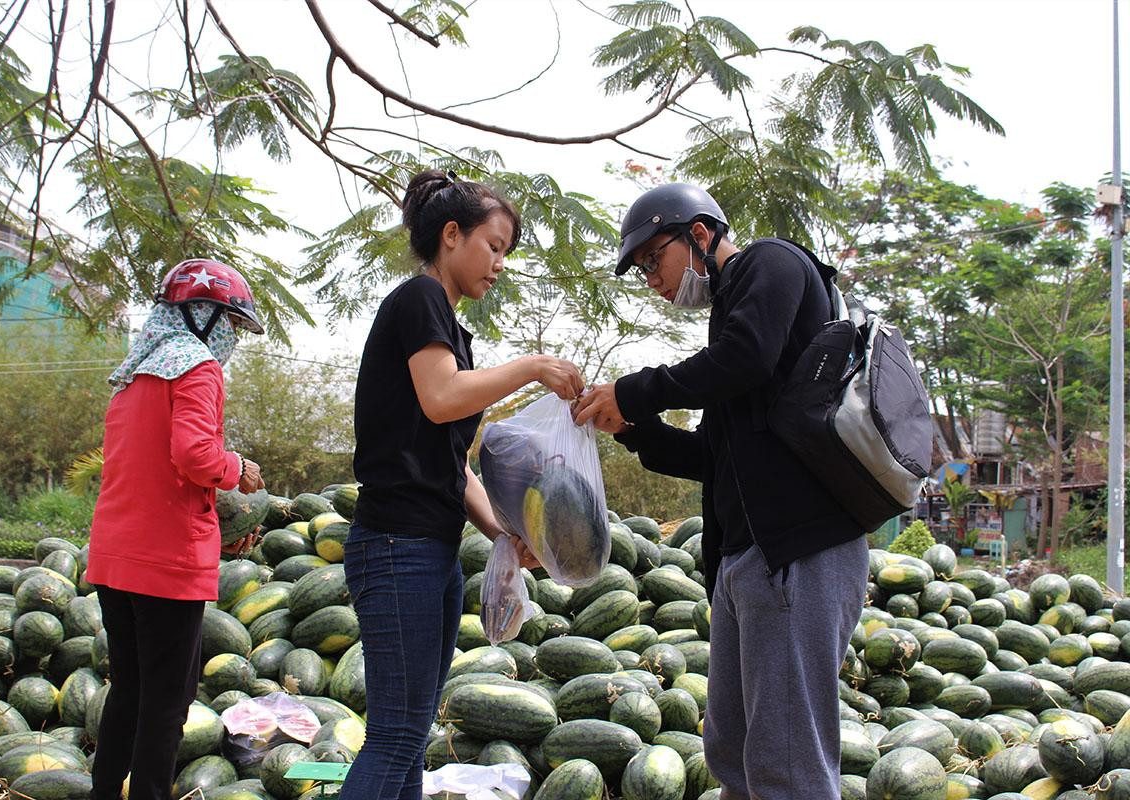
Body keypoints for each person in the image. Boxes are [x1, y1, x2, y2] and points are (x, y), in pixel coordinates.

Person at [573, 184, 869, 800]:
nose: (652, 278)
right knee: (734, 758)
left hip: (797, 552)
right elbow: (712, 457)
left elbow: (747, 357)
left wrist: (634, 390)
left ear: (700, 236)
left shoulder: (772, 263)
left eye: (655, 258)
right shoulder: (731, 326)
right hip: (745, 560)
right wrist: (633, 429)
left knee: (789, 768)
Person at [343, 169, 584, 800]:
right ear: (451, 235)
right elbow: (443, 400)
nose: (499, 264)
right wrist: (533, 366)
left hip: (429, 548)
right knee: (395, 733)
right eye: (494, 246)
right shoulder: (418, 300)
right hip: (396, 547)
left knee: (412, 728)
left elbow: (452, 466)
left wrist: (503, 532)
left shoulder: (450, 327)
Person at [86, 258, 267, 800]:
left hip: (116, 556)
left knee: (131, 690)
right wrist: (237, 469)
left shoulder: (133, 375)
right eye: (230, 323)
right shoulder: (198, 368)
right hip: (165, 565)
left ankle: (102, 794)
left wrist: (214, 521)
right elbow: (193, 454)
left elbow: (146, 474)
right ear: (202, 315)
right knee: (168, 702)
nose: (233, 337)